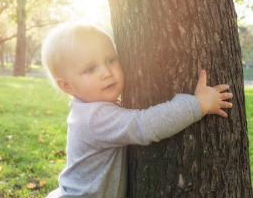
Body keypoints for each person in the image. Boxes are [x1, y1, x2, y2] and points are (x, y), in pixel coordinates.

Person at [41, 22, 233, 198]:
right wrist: (198, 105)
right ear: (67, 86)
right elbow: (146, 125)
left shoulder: (86, 109)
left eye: (110, 60)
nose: (106, 72)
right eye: (90, 69)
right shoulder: (94, 118)